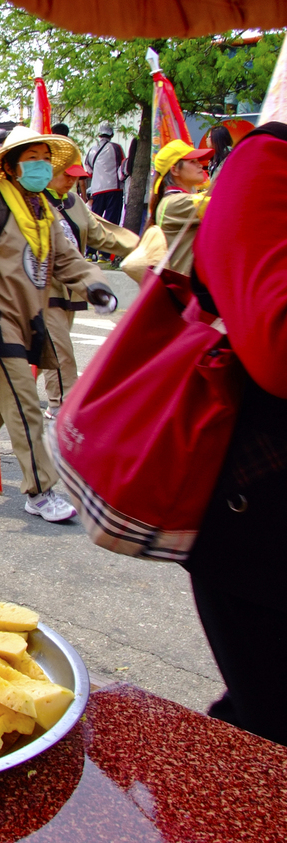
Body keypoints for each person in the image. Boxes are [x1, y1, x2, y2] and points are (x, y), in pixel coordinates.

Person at [0, 126, 116, 522]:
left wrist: (95, 287)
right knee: (25, 403)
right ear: (12, 167)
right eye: (32, 159)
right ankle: (40, 490)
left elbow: (67, 260)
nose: (41, 166)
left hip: (31, 318)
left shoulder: (45, 210)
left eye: (45, 158)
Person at [184, 120, 287, 747]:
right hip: (264, 501)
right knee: (267, 723)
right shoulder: (268, 164)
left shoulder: (53, 208)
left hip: (48, 309)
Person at [44, 157, 138, 417]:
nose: (73, 181)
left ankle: (57, 404)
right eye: (66, 175)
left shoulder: (74, 202)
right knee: (60, 352)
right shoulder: (32, 201)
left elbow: (100, 235)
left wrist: (139, 246)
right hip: (42, 289)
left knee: (52, 353)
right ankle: (62, 408)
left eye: (77, 177)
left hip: (72, 286)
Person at [149, 139, 213, 276]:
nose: (200, 165)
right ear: (174, 170)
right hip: (185, 289)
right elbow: (223, 204)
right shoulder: (175, 203)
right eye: (192, 162)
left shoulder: (176, 200)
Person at [84, 122, 127, 228]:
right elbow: (123, 166)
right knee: (111, 223)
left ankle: (93, 244)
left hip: (96, 190)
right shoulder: (117, 148)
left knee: (96, 221)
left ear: (99, 135)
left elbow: (89, 170)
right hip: (114, 189)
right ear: (112, 134)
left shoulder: (92, 150)